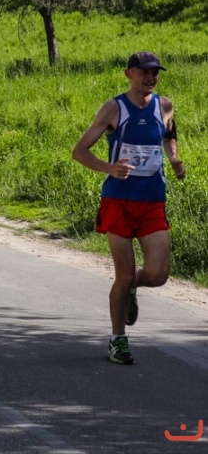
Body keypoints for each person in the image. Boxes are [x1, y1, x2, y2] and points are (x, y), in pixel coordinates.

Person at [72, 51, 185, 365]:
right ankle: (117, 339)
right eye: (144, 72)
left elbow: (169, 134)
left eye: (155, 73)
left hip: (152, 201)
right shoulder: (114, 108)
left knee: (158, 274)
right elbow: (79, 151)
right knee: (122, 276)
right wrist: (109, 168)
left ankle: (132, 287)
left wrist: (174, 158)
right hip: (118, 202)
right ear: (129, 74)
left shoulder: (164, 105)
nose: (151, 78)